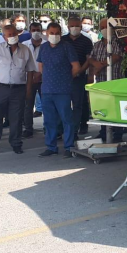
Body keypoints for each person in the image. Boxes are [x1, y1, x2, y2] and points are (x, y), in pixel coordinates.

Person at [0, 20, 37, 156]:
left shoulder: (25, 50)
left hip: (18, 88)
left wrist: (28, 89)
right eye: (9, 35)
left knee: (16, 118)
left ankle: (16, 144)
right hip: (0, 88)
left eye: (14, 34)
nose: (12, 36)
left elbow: (30, 71)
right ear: (4, 36)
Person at [37, 22, 83, 158]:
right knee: (49, 120)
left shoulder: (67, 47)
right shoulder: (43, 47)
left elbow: (76, 67)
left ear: (61, 34)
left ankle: (69, 147)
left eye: (57, 33)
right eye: (52, 33)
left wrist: (67, 78)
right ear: (46, 33)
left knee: (66, 119)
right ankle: (51, 147)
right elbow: (41, 66)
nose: (54, 35)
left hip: (63, 90)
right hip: (47, 89)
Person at [89, 18, 125, 141]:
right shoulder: (97, 44)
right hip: (101, 81)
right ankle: (103, 132)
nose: (105, 29)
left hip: (115, 80)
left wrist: (101, 65)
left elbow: (116, 56)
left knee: (115, 107)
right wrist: (95, 64)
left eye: (107, 27)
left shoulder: (117, 43)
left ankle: (117, 134)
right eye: (102, 27)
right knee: (103, 107)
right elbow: (91, 58)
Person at [62, 16, 93, 137]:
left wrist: (80, 70)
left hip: (79, 77)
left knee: (78, 104)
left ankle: (74, 130)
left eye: (77, 26)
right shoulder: (63, 40)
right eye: (72, 26)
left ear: (80, 27)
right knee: (64, 104)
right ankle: (65, 128)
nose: (74, 28)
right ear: (68, 27)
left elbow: (89, 59)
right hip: (63, 78)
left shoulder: (86, 41)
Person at [22, 22, 44, 138]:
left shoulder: (46, 44)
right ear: (30, 31)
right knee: (28, 105)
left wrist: (40, 73)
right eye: (33, 30)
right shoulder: (24, 45)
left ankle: (48, 126)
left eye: (38, 30)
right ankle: (28, 128)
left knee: (46, 104)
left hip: (44, 78)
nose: (36, 32)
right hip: (28, 78)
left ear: (42, 31)